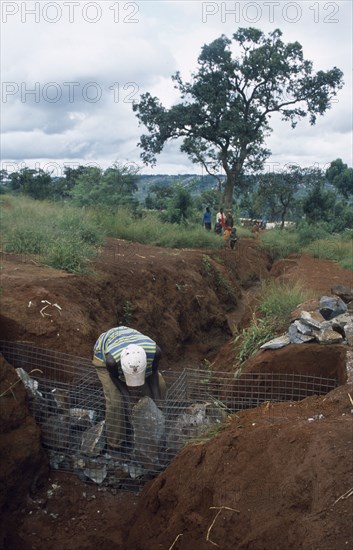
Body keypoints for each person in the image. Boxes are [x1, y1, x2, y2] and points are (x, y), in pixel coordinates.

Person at [92, 326, 166, 450]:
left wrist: (158, 401)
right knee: (117, 401)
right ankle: (115, 444)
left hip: (133, 344)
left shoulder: (155, 352)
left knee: (161, 386)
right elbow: (115, 377)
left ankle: (154, 435)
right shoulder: (111, 361)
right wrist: (128, 399)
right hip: (104, 354)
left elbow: (153, 372)